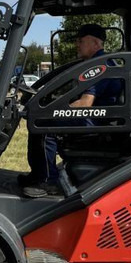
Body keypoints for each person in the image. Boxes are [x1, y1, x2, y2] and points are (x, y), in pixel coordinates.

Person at [20, 23, 122, 198]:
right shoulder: (96, 63)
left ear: (96, 43)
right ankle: (38, 174)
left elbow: (85, 103)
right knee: (41, 119)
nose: (77, 44)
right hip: (96, 117)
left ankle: (48, 181)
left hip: (97, 120)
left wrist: (53, 111)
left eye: (81, 41)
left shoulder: (100, 66)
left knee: (44, 125)